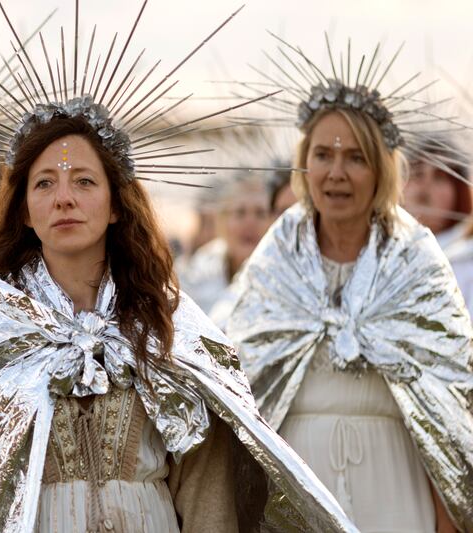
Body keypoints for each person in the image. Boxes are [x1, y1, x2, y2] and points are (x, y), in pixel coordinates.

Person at [0, 4, 358, 531]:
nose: (64, 199)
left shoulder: (162, 316)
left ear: (115, 204)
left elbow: (204, 478)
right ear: (25, 211)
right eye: (45, 184)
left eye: (84, 182)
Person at [227, 36, 473, 532]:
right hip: (298, 491)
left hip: (396, 493)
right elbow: (240, 390)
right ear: (306, 164)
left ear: (380, 167)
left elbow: (449, 411)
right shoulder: (277, 258)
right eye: (323, 155)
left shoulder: (415, 259)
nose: (336, 173)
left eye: (355, 157)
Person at [177, 175, 271, 321]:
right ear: (222, 221)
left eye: (260, 213)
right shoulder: (199, 269)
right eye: (240, 213)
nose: (250, 222)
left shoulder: (280, 273)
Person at [403, 137, 472, 248]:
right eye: (418, 173)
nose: (426, 184)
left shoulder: (466, 257)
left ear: (461, 191)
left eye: (439, 177)